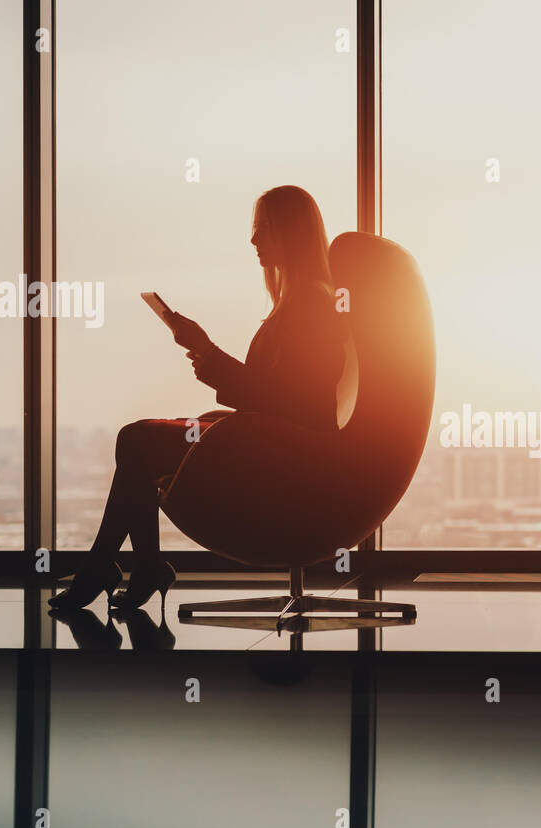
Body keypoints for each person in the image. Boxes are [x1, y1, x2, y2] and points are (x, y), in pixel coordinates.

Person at [50, 185, 349, 612]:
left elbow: (288, 400)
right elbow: (276, 396)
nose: (253, 240)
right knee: (137, 443)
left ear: (290, 231)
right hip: (275, 446)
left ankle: (116, 567)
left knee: (136, 440)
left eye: (263, 228)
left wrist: (208, 352)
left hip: (287, 460)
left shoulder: (312, 306)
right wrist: (207, 355)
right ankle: (134, 567)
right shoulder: (301, 303)